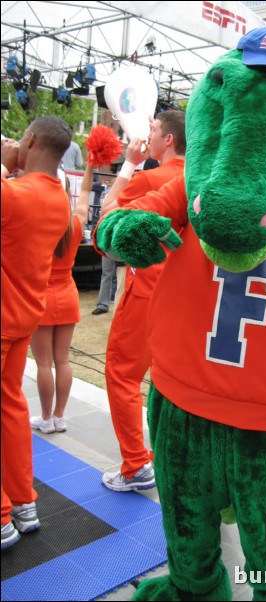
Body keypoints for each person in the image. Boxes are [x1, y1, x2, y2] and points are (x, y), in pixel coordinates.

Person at [98, 109, 186, 492]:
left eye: (153, 130)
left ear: (168, 139)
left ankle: (135, 464)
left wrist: (128, 166)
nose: (146, 135)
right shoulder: (203, 178)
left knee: (122, 375)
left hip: (149, 290)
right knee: (177, 385)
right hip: (190, 299)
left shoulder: (150, 177)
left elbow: (106, 221)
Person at [1, 117, 72, 550]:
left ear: (30, 141)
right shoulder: (60, 199)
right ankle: (24, 502)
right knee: (10, 406)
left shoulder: (14, 194)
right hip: (24, 318)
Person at [29, 166, 91, 434]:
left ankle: (45, 418)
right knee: (62, 360)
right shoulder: (76, 221)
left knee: (44, 363)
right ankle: (59, 416)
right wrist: (90, 165)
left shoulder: (33, 224)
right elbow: (86, 192)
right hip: (67, 294)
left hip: (40, 297)